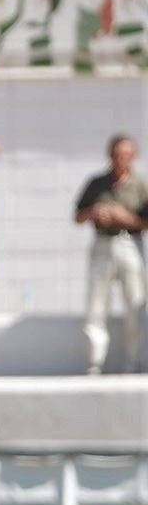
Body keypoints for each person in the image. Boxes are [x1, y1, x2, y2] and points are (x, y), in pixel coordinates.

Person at [74, 134, 147, 374]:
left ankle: (134, 362)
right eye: (117, 155)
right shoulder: (97, 183)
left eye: (126, 155)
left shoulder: (140, 185)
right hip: (102, 244)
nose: (121, 160)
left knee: (135, 304)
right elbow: (77, 216)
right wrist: (95, 212)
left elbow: (145, 221)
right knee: (96, 305)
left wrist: (124, 217)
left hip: (129, 243)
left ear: (133, 157)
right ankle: (94, 363)